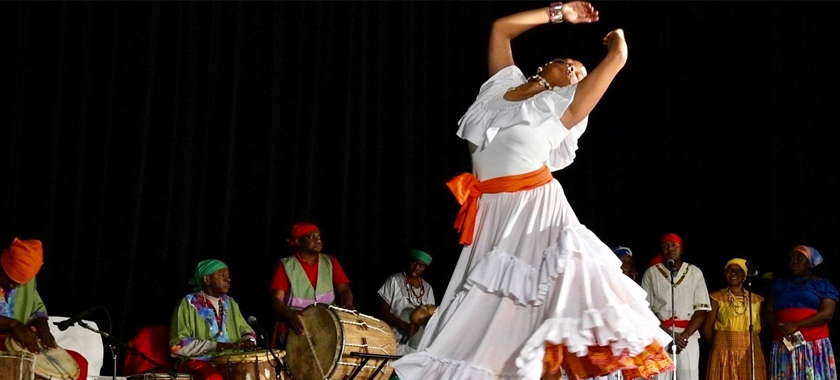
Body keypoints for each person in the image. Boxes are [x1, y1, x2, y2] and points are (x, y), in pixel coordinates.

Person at [392, 3, 672, 380]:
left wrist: (618, 47)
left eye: (579, 74)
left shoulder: (559, 110)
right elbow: (501, 29)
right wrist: (561, 13)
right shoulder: (500, 87)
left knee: (541, 304)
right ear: (545, 65)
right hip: (492, 216)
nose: (573, 70)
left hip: (536, 213)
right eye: (569, 62)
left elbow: (614, 64)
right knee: (477, 319)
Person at [0, 238, 87, 380]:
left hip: (17, 344)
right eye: (9, 280)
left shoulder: (26, 281)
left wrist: (42, 325)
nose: (12, 286)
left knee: (79, 363)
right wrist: (13, 324)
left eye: (18, 283)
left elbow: (36, 308)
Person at [169, 259, 257, 380]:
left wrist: (249, 341)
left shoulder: (230, 303)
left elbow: (247, 331)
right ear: (207, 279)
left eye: (228, 275)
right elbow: (177, 346)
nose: (228, 279)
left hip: (230, 360)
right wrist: (216, 346)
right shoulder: (188, 304)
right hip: (197, 362)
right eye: (222, 275)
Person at [640, 233, 711, 380]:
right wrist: (667, 334)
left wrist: (683, 337)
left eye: (674, 245)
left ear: (681, 250)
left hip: (687, 338)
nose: (670, 249)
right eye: (665, 246)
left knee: (688, 376)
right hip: (660, 336)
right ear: (661, 250)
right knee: (658, 377)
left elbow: (702, 309)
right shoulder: (651, 273)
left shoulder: (694, 272)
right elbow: (645, 309)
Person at [270, 223, 353, 347]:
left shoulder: (330, 262)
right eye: (311, 237)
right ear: (298, 242)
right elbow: (276, 300)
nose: (317, 239)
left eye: (318, 236)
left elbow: (344, 290)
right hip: (297, 330)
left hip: (327, 328)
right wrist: (290, 315)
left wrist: (347, 306)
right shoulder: (286, 265)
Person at [766, 246, 837, 380]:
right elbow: (769, 311)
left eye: (799, 258)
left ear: (810, 263)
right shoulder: (780, 285)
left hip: (814, 343)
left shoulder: (822, 285)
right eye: (792, 258)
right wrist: (778, 326)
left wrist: (796, 325)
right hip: (784, 343)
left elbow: (828, 313)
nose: (794, 261)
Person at [702, 258, 766, 380]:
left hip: (749, 351)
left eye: (738, 271)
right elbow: (706, 329)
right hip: (723, 351)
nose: (733, 274)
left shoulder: (757, 300)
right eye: (730, 271)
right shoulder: (717, 297)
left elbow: (761, 331)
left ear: (745, 276)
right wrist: (721, 344)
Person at [378, 249, 436, 355]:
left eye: (421, 266)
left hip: (416, 345)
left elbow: (431, 316)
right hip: (394, 339)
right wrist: (404, 326)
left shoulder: (428, 288)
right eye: (414, 262)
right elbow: (383, 311)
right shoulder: (394, 280)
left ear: (425, 268)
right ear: (409, 261)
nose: (416, 267)